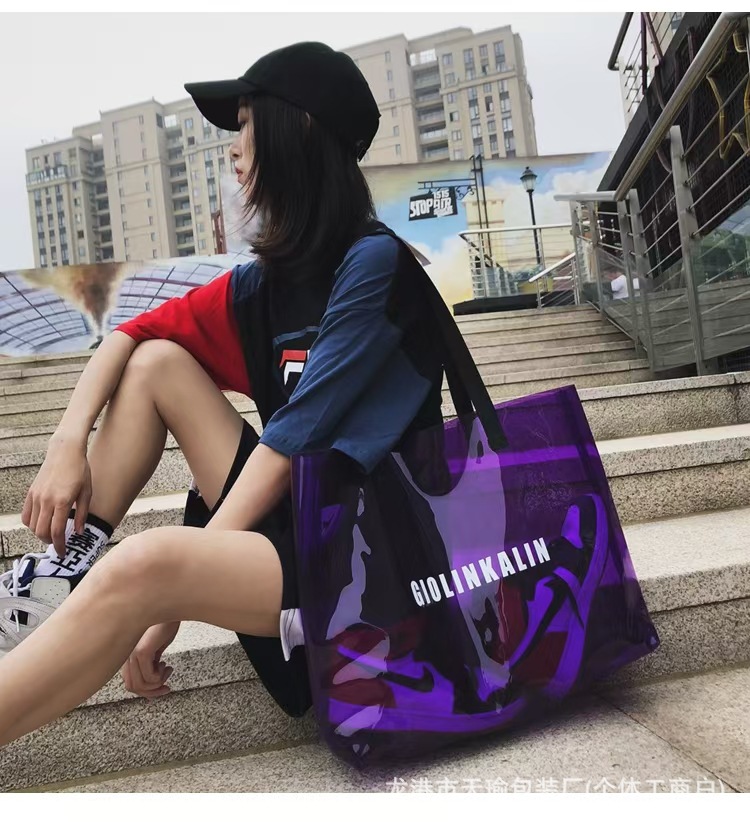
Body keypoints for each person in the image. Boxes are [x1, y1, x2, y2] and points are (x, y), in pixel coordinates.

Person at [0, 42, 446, 746]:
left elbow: (286, 448)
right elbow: (128, 337)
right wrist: (66, 442)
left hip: (367, 574)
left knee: (148, 562)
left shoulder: (376, 265)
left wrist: (177, 592)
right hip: (290, 536)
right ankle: (66, 565)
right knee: (156, 363)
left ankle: (108, 579)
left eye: (244, 125)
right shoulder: (265, 284)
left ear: (299, 129)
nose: (233, 148)